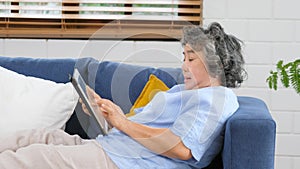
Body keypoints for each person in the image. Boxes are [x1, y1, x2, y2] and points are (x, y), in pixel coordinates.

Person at [0, 22, 247, 169]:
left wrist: (122, 122)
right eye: (184, 57)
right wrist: (107, 116)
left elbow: (182, 148)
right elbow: (139, 130)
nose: (183, 65)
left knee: (33, 158)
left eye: (191, 58)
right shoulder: (182, 92)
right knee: (36, 137)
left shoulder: (217, 97)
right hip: (112, 148)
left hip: (126, 162)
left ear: (216, 64)